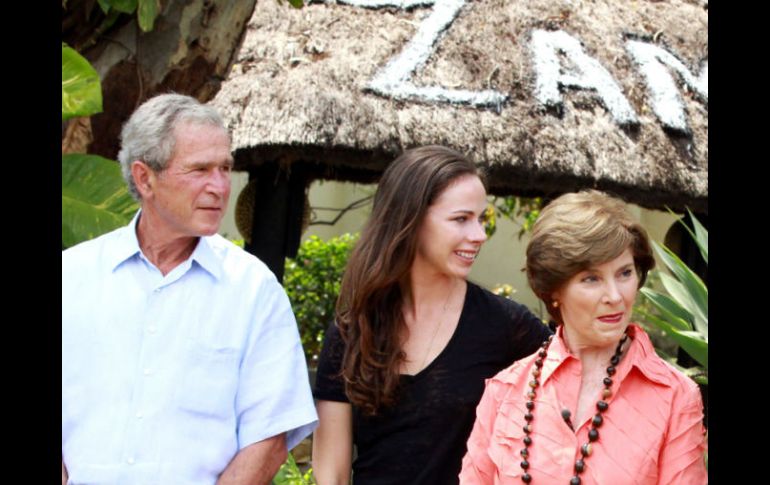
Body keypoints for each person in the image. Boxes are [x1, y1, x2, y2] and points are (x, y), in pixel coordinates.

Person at [61, 93, 318, 485]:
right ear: (145, 178)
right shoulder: (73, 275)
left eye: (225, 168)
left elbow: (269, 437)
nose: (220, 186)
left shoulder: (253, 289)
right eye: (200, 170)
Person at [311, 146, 552, 485]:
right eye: (461, 219)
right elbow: (331, 474)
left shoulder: (506, 326)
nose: (479, 235)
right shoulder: (352, 331)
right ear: (410, 220)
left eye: (480, 219)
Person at [459, 190, 707, 484]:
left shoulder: (676, 397)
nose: (615, 296)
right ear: (554, 290)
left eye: (625, 273)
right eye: (591, 279)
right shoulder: (505, 392)